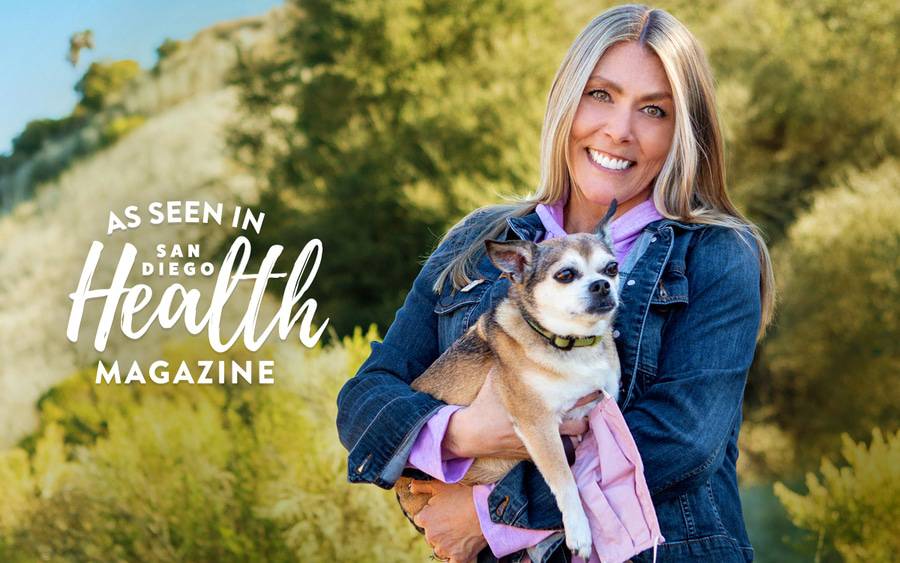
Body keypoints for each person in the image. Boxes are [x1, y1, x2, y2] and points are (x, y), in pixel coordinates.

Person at [336, 4, 775, 563]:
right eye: (601, 95)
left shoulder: (716, 253)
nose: (619, 130)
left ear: (684, 130)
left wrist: (490, 515)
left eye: (653, 110)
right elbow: (366, 398)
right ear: (567, 100)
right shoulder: (480, 240)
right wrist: (462, 434)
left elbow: (682, 441)